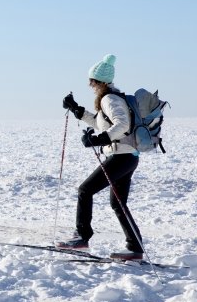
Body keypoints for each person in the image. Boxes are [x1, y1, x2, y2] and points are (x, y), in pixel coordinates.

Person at [58, 54, 145, 260]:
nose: (90, 84)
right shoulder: (112, 98)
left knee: (85, 190)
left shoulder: (109, 99)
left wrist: (99, 140)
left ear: (100, 82)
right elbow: (100, 123)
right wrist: (77, 109)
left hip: (121, 157)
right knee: (118, 204)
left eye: (92, 81)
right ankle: (135, 248)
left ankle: (82, 237)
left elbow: (121, 125)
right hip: (128, 156)